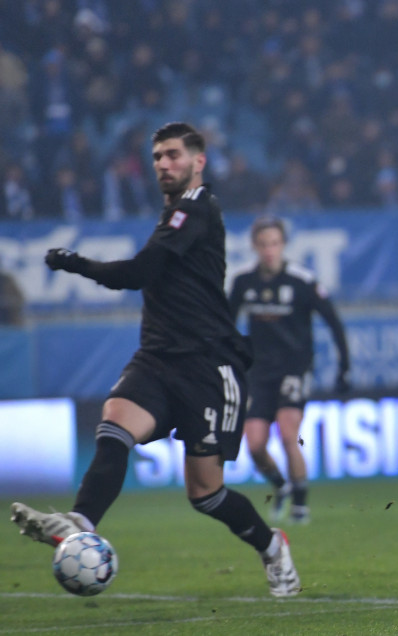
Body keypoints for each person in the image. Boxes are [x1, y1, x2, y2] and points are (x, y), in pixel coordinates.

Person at [10, 122, 300, 597]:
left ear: (198, 161)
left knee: (205, 494)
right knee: (115, 422)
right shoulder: (172, 215)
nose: (164, 164)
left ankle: (273, 547)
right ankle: (80, 523)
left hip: (209, 366)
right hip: (158, 357)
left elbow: (140, 272)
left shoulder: (197, 207)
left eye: (173, 155)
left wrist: (76, 263)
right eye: (158, 157)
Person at [228, 215, 351, 525]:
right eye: (263, 244)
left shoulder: (301, 281)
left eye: (275, 243)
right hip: (259, 372)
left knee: (287, 434)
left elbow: (334, 322)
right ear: (255, 246)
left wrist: (344, 367)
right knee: (254, 444)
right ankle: (280, 485)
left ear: (283, 245)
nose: (270, 250)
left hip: (294, 368)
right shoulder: (244, 281)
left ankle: (300, 504)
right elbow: (226, 326)